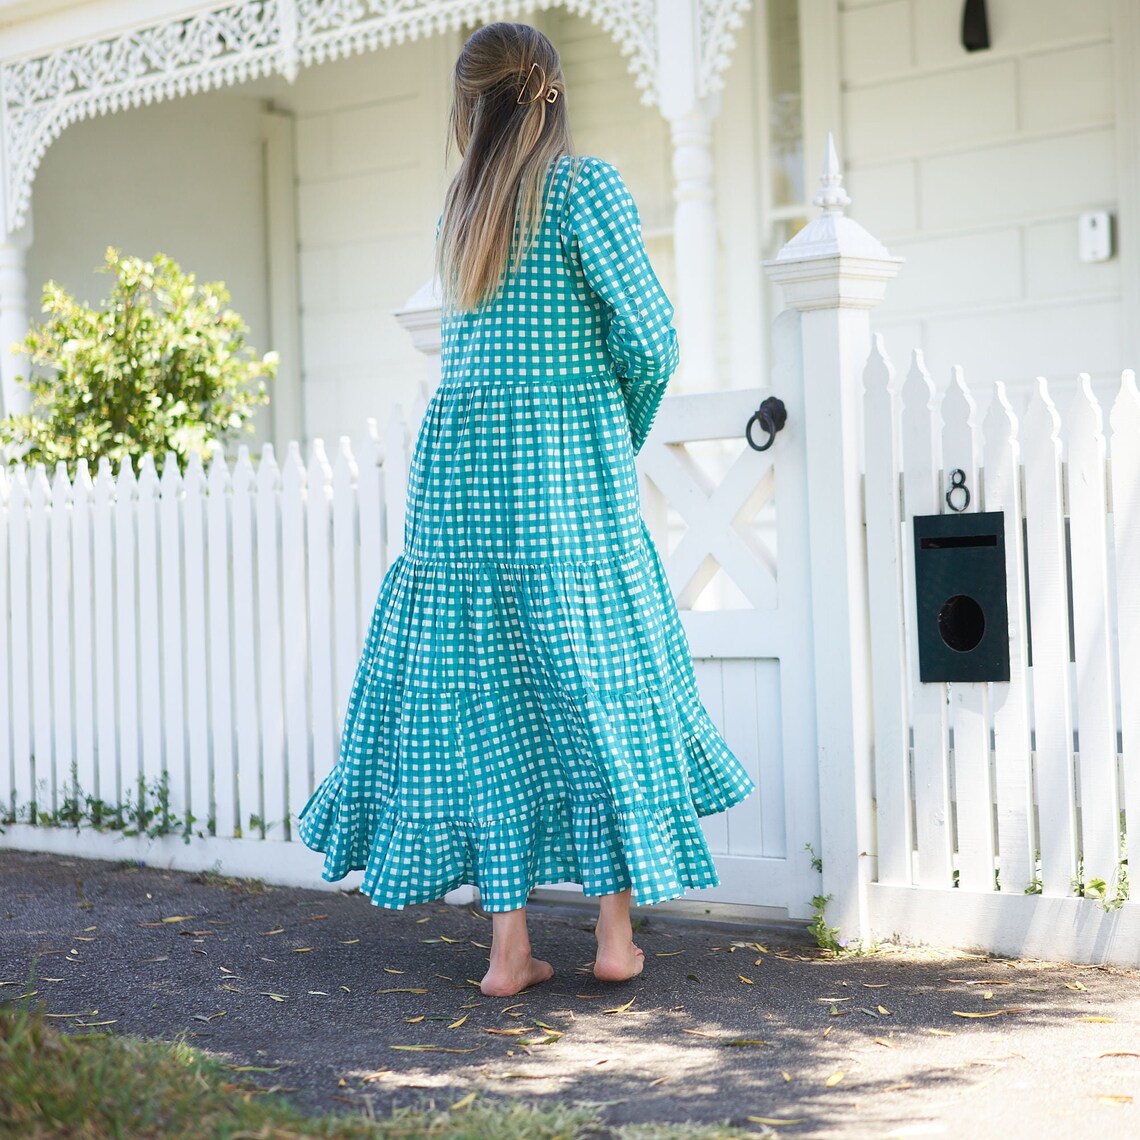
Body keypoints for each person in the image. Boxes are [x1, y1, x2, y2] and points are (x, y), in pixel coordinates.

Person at [299, 21, 756, 999]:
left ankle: (508, 949)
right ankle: (614, 936)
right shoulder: (583, 190)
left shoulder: (459, 213)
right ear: (551, 92)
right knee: (600, 685)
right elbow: (654, 336)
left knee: (485, 702)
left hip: (460, 492)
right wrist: (613, 429)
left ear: (470, 106)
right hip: (561, 480)